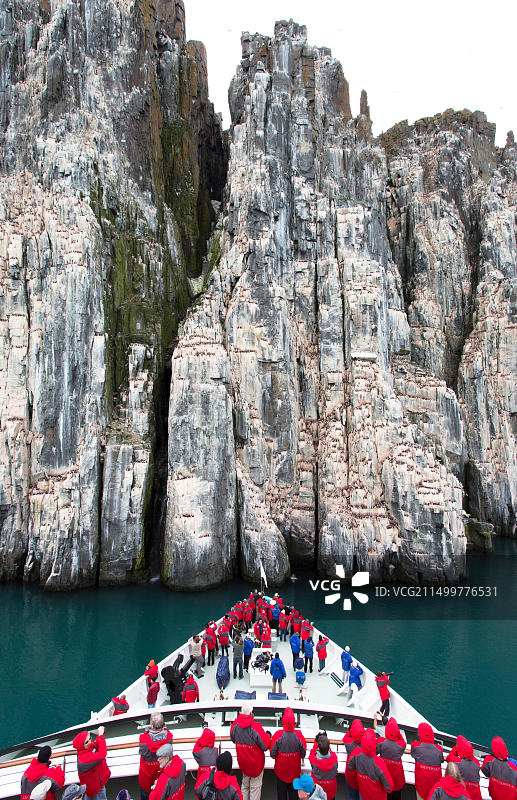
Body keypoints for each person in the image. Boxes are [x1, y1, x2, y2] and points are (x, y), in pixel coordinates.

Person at [230, 702, 271, 800]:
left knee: (245, 786)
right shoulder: (255, 727)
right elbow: (265, 745)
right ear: (251, 712)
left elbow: (233, 739)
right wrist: (268, 736)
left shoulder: (235, 726)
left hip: (243, 763)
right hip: (256, 765)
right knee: (255, 788)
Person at [271, 707, 307, 800]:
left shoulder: (278, 735)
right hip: (295, 774)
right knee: (293, 796)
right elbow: (303, 754)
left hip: (281, 773)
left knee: (281, 795)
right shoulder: (299, 735)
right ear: (294, 721)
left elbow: (272, 754)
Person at [347, 728, 393, 800]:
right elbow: (389, 787)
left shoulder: (356, 754)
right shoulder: (379, 763)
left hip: (363, 794)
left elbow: (350, 768)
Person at [138, 713, 173, 800]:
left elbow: (143, 753)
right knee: (161, 794)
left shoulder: (143, 739)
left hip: (146, 777)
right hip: (161, 775)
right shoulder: (169, 737)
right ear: (162, 724)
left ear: (151, 725)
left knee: (145, 794)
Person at [72, 727, 111, 800]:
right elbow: (102, 754)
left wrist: (100, 736)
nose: (90, 742)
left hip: (95, 782)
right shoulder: (84, 759)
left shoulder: (88, 748)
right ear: (81, 746)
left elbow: (96, 744)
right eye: (87, 742)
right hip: (95, 788)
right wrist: (101, 736)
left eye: (90, 738)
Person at [375, 716, 406, 800]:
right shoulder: (401, 745)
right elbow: (401, 740)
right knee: (397, 795)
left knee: (386, 794)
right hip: (397, 776)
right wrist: (396, 734)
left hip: (384, 774)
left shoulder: (381, 742)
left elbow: (374, 752)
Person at [411, 722, 444, 800]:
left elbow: (413, 752)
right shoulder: (439, 749)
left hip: (421, 786)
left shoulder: (416, 746)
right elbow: (442, 760)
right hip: (435, 788)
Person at [446, 735, 482, 800]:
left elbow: (449, 758)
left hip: (462, 796)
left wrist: (455, 750)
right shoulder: (476, 763)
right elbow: (471, 757)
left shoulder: (457, 762)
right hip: (475, 796)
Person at [481, 736, 517, 800]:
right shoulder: (514, 768)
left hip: (495, 795)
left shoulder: (488, 761)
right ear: (506, 751)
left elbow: (485, 773)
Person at [309, 732, 338, 800]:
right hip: (331, 791)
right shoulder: (334, 757)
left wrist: (316, 743)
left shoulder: (314, 760)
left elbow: (312, 753)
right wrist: (325, 743)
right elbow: (330, 752)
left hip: (319, 792)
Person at [343, 719, 365, 800]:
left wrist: (351, 731)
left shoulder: (348, 742)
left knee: (352, 796)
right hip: (362, 773)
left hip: (350, 774)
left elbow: (346, 736)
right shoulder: (365, 742)